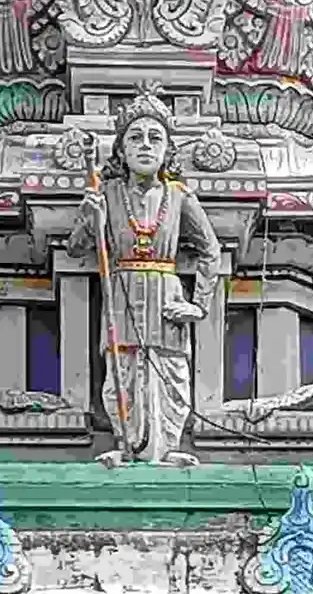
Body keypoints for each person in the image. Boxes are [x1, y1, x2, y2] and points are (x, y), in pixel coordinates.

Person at [67, 94, 224, 466]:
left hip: (166, 295)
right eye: (135, 138)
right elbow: (75, 248)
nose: (145, 145)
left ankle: (167, 447)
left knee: (170, 372)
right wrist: (89, 217)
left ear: (168, 150)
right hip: (122, 293)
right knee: (123, 371)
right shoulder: (107, 194)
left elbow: (211, 250)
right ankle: (128, 445)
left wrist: (199, 305)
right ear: (121, 150)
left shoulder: (179, 196)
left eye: (155, 138)